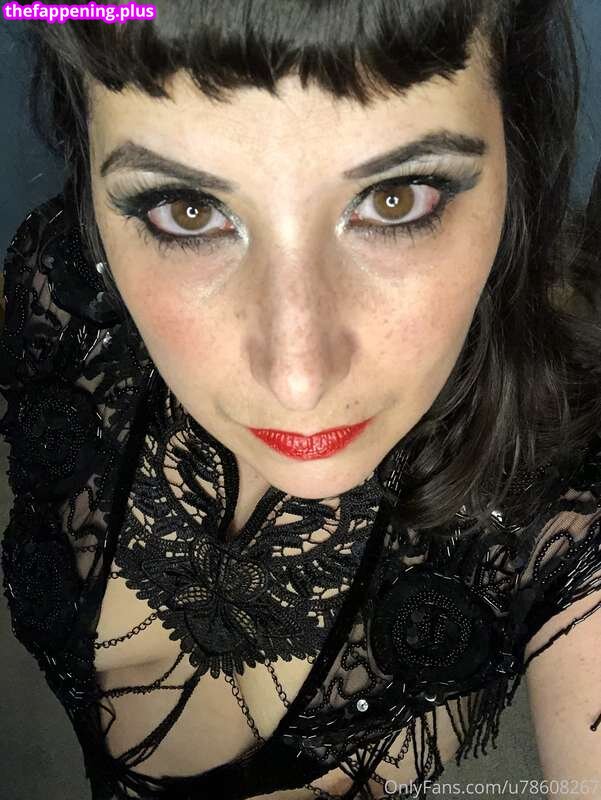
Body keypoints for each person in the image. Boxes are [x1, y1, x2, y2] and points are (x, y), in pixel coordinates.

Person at [2, 1, 601, 798]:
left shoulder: (571, 515)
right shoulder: (63, 290)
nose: (297, 380)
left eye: (397, 198)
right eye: (188, 210)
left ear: (511, 153)